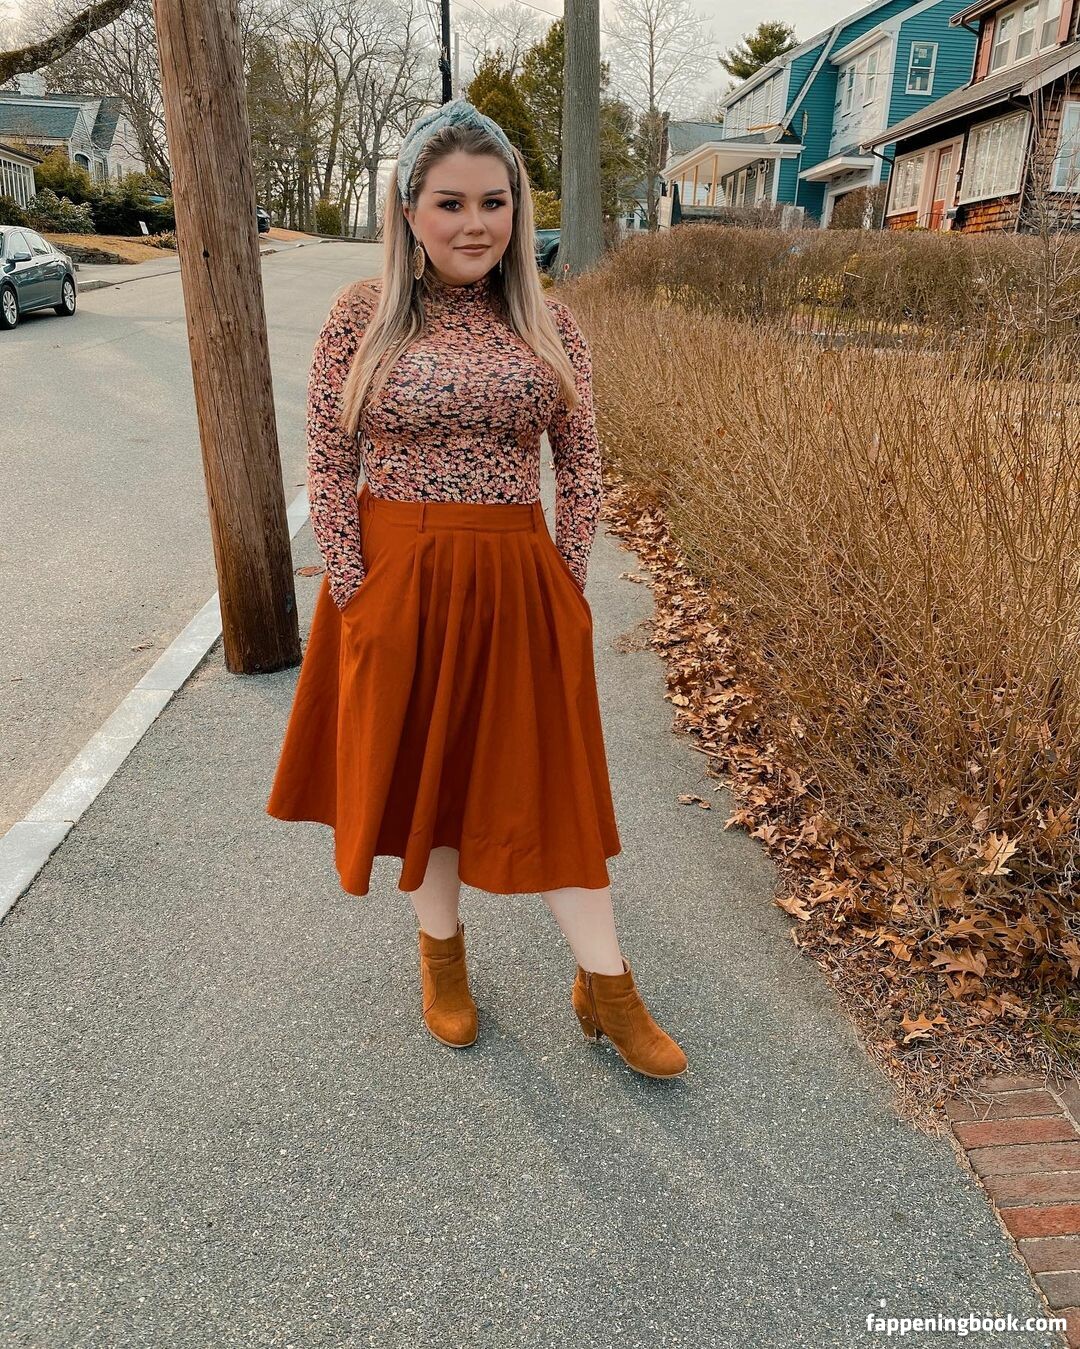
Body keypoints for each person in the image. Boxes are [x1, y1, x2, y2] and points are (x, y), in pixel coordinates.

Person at [266, 98, 687, 1079]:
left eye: (493, 202)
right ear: (409, 210)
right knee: (431, 777)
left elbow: (581, 465)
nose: (473, 223)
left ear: (517, 209)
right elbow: (328, 460)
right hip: (396, 577)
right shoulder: (359, 315)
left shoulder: (550, 323)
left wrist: (568, 584)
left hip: (517, 578)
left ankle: (607, 983)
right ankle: (442, 959)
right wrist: (354, 591)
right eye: (450, 203)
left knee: (553, 788)